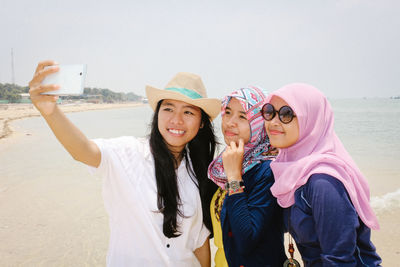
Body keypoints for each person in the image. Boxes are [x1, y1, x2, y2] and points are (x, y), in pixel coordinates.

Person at [28, 60, 221, 267]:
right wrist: (51, 112)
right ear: (157, 113)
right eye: (168, 109)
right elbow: (82, 150)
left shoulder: (200, 172)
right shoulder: (128, 153)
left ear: (201, 123)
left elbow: (199, 243)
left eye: (188, 112)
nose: (176, 120)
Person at [262, 83, 382, 266]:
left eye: (286, 114)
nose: (274, 121)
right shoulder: (290, 170)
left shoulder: (324, 182)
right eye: (269, 111)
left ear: (312, 120)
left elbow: (339, 260)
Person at [208, 86, 287, 267]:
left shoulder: (267, 170)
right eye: (227, 112)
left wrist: (235, 177)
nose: (230, 122)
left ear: (260, 122)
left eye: (243, 116)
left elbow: (246, 240)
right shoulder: (226, 165)